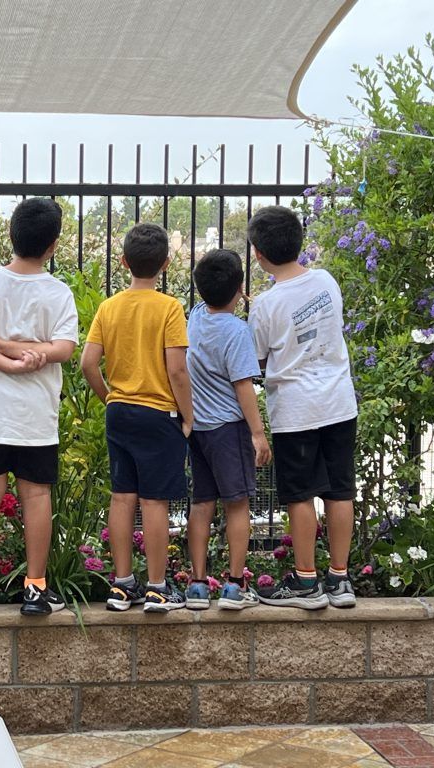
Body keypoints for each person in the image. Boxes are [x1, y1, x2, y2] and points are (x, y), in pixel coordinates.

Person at [0, 197, 78, 617]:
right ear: (53, 245)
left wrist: (5, 354)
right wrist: (28, 358)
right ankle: (35, 588)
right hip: (34, 416)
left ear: (12, 234)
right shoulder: (58, 292)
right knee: (37, 495)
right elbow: (64, 348)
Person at [247, 205, 358, 609]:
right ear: (298, 243)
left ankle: (306, 580)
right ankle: (341, 580)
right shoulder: (326, 282)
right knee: (339, 490)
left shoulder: (265, 305)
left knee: (300, 494)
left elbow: (256, 359)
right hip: (339, 403)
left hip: (295, 411)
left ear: (258, 254)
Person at [80, 223, 193, 613]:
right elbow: (177, 369)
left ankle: (122, 585)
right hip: (159, 414)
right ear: (165, 264)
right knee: (155, 501)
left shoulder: (109, 307)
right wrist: (188, 416)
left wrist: (109, 395)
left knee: (122, 496)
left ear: (124, 261)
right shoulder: (170, 308)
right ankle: (158, 588)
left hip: (120, 413)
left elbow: (88, 362)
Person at [183, 249, 271, 611]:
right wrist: (258, 433)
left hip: (198, 429)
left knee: (201, 504)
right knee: (238, 504)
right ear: (240, 289)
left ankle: (198, 585)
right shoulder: (237, 331)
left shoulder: (195, 317)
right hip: (228, 428)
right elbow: (243, 386)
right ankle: (234, 585)